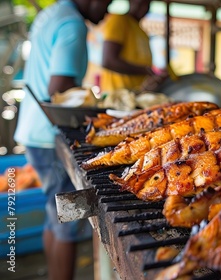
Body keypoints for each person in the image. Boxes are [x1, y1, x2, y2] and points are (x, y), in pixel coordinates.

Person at [13, 1, 112, 279]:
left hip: (34, 131)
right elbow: (59, 89)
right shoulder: (72, 24)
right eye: (107, 1)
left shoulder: (52, 13)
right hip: (50, 137)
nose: (107, 10)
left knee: (53, 214)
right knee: (67, 222)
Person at [100, 0, 167, 93]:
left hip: (137, 94)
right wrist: (145, 70)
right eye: (138, 2)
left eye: (146, 3)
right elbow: (109, 61)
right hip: (118, 95)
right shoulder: (119, 20)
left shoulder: (142, 32)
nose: (142, 7)